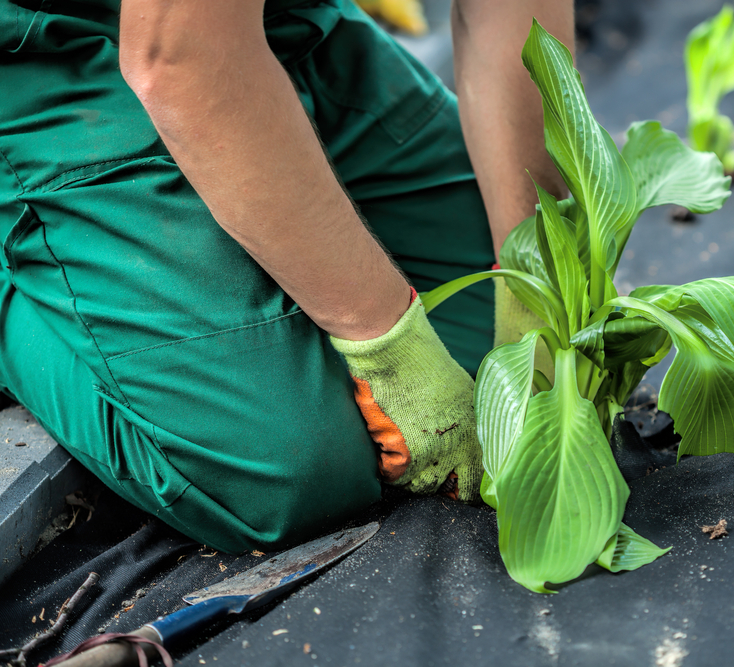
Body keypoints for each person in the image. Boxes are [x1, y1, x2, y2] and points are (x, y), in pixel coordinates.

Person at [0, 0, 571, 553]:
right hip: (49, 58)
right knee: (285, 468)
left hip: (272, 23)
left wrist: (530, 269)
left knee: (483, 354)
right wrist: (392, 350)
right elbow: (181, 57)